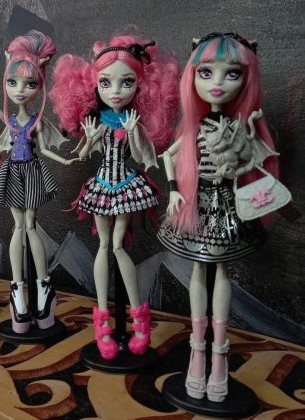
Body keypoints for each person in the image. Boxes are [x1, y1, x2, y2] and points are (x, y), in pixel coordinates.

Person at [157, 33, 279, 402]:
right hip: (197, 205)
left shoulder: (241, 126)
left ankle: (219, 353)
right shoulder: (194, 128)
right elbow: (167, 156)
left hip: (228, 206)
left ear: (246, 80)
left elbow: (259, 160)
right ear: (192, 77)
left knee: (222, 271)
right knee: (199, 269)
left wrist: (244, 157)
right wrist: (174, 188)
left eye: (232, 74)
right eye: (206, 72)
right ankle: (197, 351)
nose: (218, 83)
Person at [50, 33, 179, 359]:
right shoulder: (98, 119)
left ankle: (139, 320)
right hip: (101, 185)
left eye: (127, 82)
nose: (116, 91)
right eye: (106, 83)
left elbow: (140, 156)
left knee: (118, 245)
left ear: (141, 86)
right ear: (93, 85)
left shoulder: (131, 120)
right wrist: (90, 137)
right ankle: (103, 321)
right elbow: (82, 154)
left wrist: (133, 131)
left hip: (124, 183)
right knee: (104, 246)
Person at [0, 30, 79, 333]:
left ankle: (43, 285)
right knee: (18, 227)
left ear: (40, 85)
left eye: (30, 83)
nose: (20, 90)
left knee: (31, 225)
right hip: (13, 171)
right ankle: (17, 288)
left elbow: (45, 149)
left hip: (31, 171)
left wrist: (65, 160)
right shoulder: (9, 121)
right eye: (13, 82)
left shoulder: (36, 122)